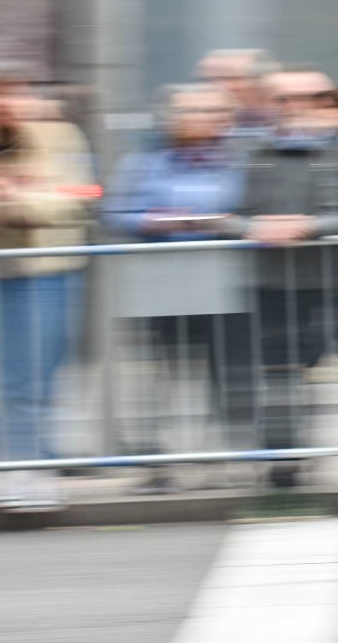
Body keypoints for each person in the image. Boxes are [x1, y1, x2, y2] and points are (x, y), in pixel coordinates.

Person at [220, 67, 338, 493]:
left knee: (312, 366)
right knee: (278, 370)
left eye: (310, 98)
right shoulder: (251, 149)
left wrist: (308, 226)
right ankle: (282, 456)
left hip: (328, 280)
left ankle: (295, 446)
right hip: (266, 280)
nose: (298, 108)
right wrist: (253, 229)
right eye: (287, 100)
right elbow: (229, 212)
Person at [102, 83, 252, 491]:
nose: (203, 119)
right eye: (192, 111)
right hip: (161, 280)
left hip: (224, 279)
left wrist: (226, 222)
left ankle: (219, 456)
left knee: (226, 369)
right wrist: (159, 221)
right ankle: (157, 461)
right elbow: (116, 212)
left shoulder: (243, 163)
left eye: (213, 111)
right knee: (158, 376)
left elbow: (254, 210)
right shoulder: (146, 164)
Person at [0, 71, 97, 512]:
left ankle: (30, 470)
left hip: (43, 271)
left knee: (32, 377)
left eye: (11, 93)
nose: (5, 104)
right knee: (10, 380)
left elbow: (80, 193)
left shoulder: (60, 137)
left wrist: (19, 201)